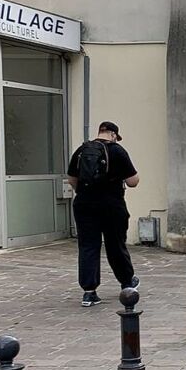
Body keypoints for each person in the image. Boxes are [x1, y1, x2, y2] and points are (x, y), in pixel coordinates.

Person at [67, 121, 140, 306]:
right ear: (114, 134)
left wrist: (85, 192)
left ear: (100, 132)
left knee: (88, 246)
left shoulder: (81, 150)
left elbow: (72, 179)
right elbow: (133, 181)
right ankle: (126, 283)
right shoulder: (117, 151)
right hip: (111, 205)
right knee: (115, 244)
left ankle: (89, 292)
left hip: (84, 205)